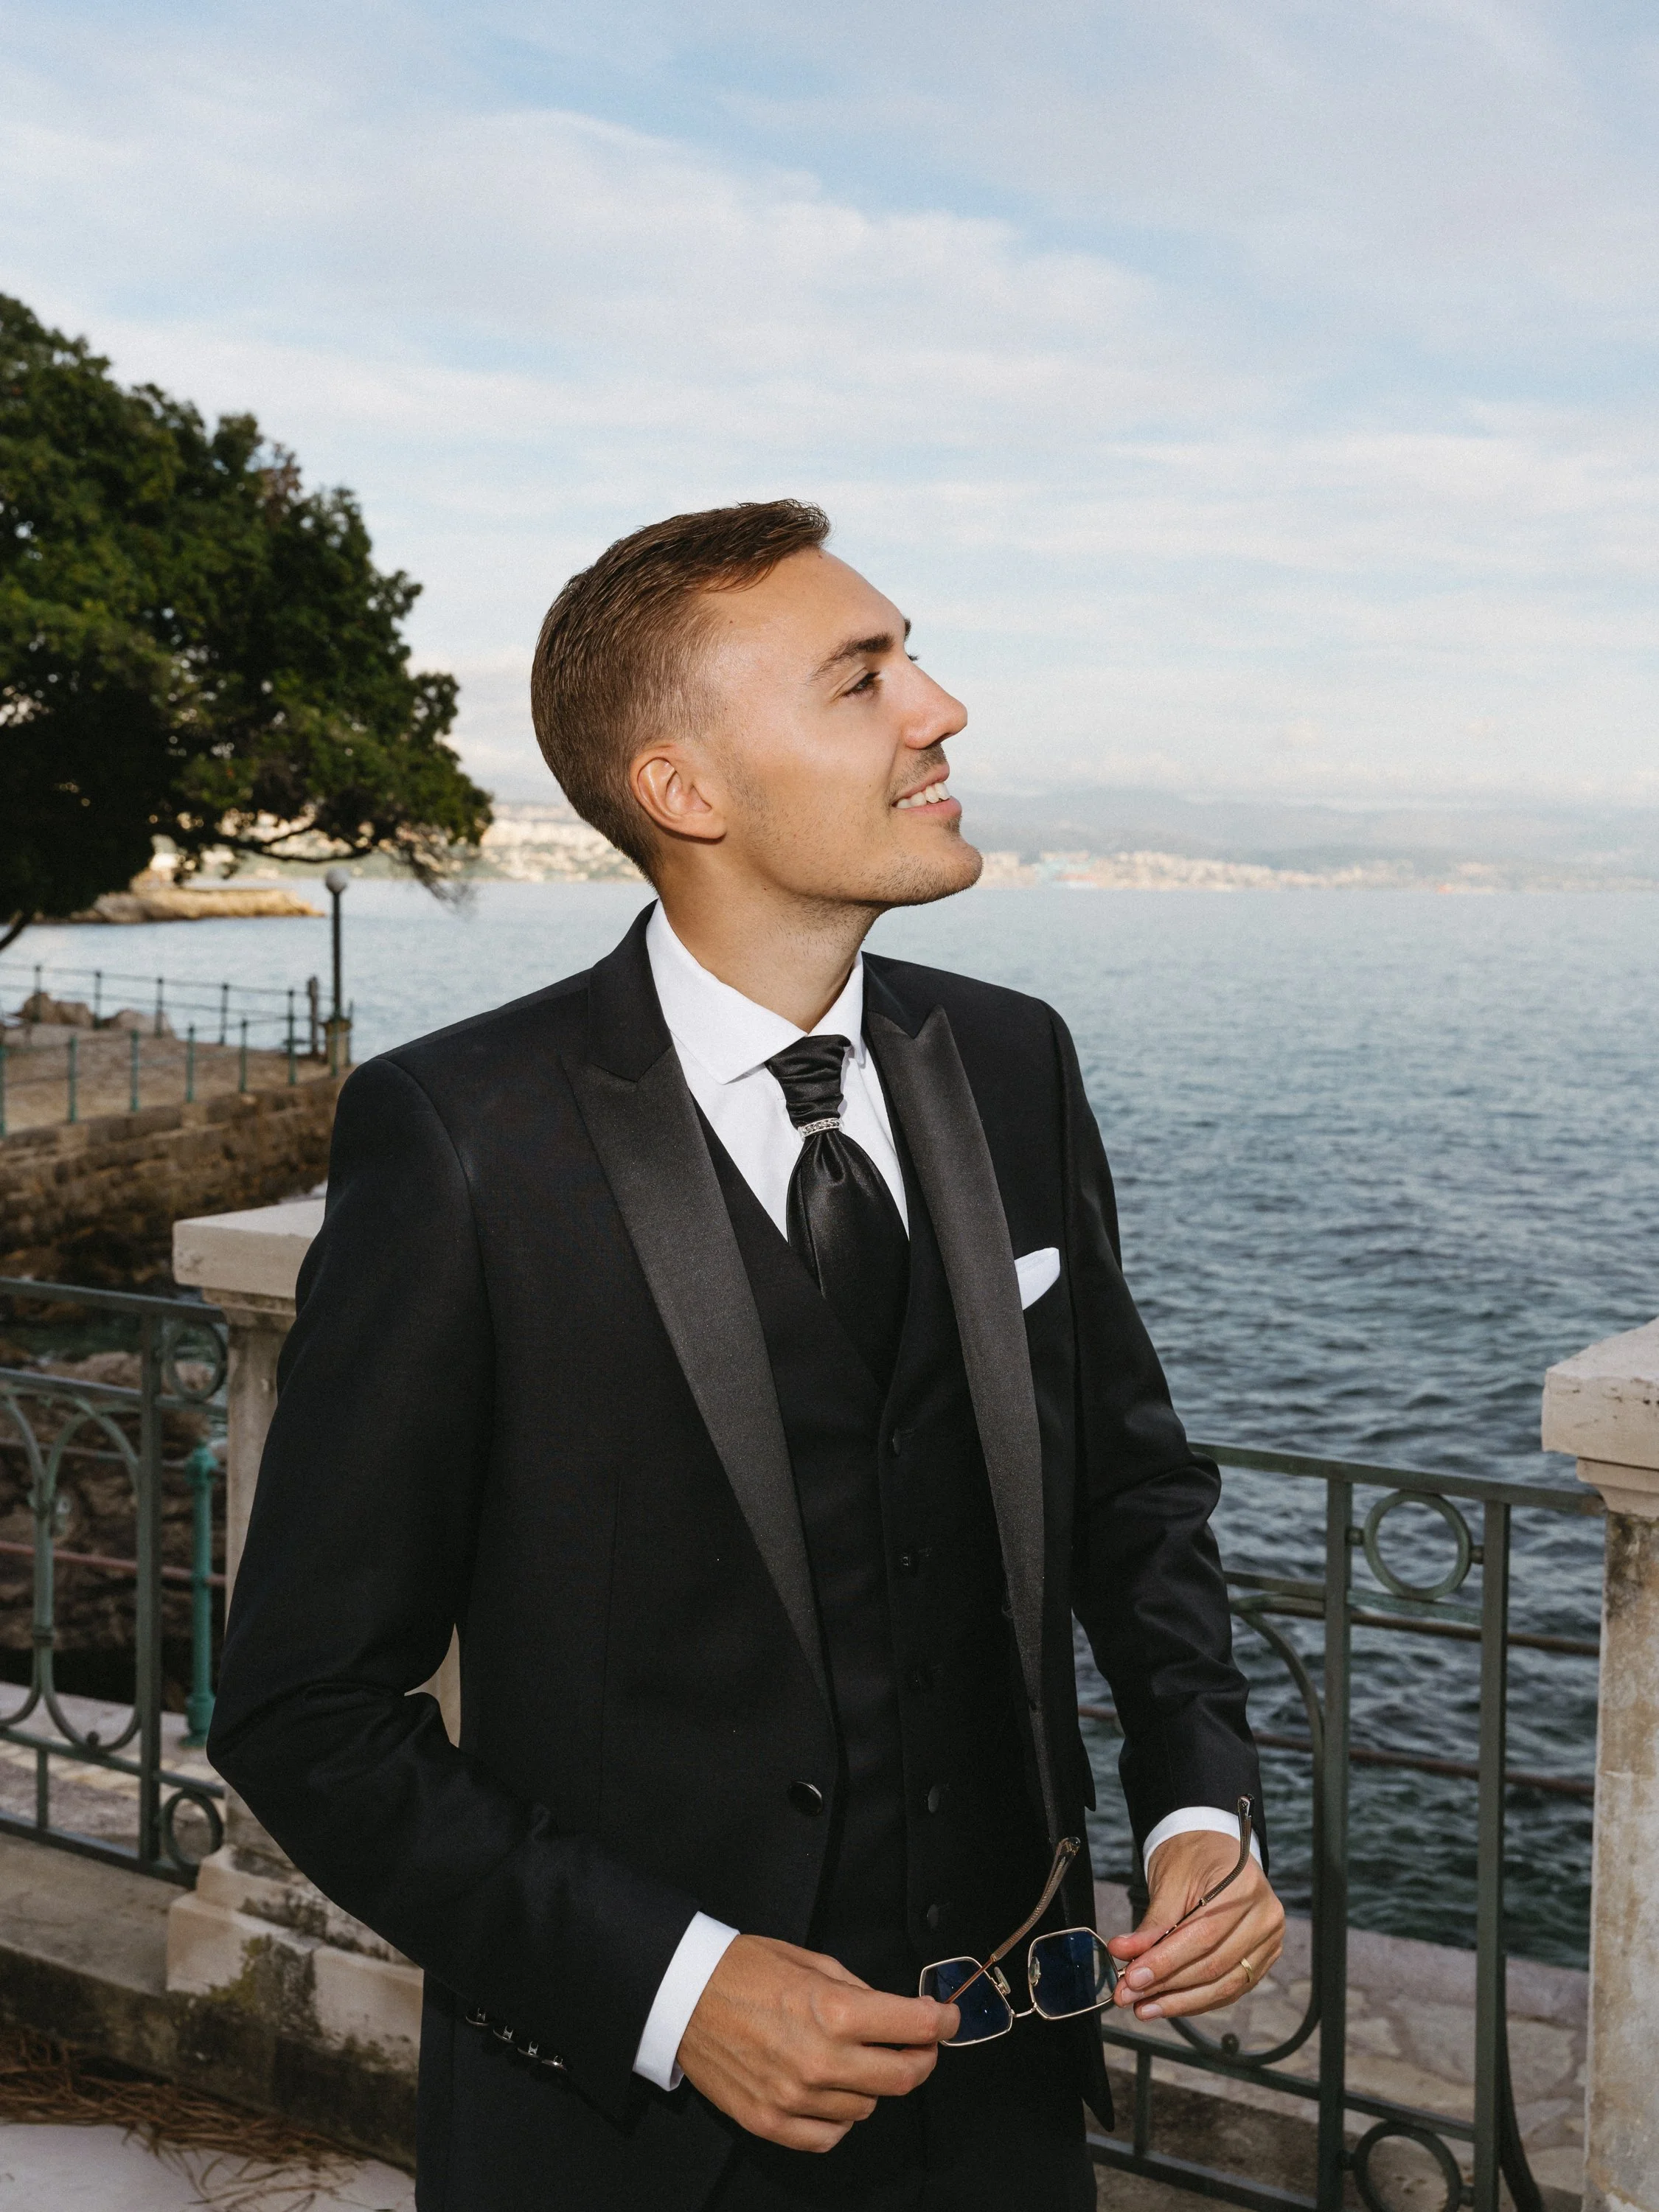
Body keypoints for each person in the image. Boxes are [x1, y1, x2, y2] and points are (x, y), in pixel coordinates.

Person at [210, 500, 1284, 2212]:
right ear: (683, 792)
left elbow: (1132, 1493)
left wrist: (1198, 1806)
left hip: (1006, 2116)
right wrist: (676, 1985)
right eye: (863, 679)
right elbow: (302, 1711)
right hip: (632, 2151)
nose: (939, 708)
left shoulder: (1013, 1060)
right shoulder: (464, 1136)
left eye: (910, 658)